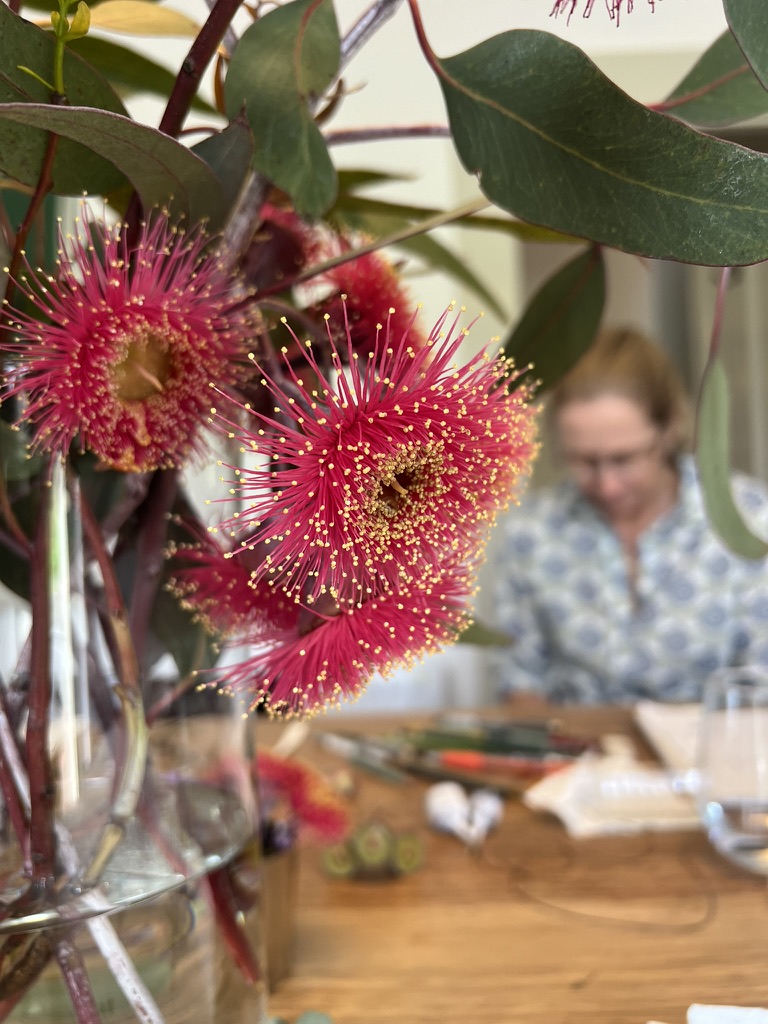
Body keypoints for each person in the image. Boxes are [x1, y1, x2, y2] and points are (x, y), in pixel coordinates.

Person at [492, 326, 768, 704]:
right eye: (584, 461)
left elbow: (760, 684)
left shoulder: (750, 520)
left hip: (712, 738)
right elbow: (520, 679)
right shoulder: (531, 533)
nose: (608, 486)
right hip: (572, 738)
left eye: (624, 459)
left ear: (670, 428)